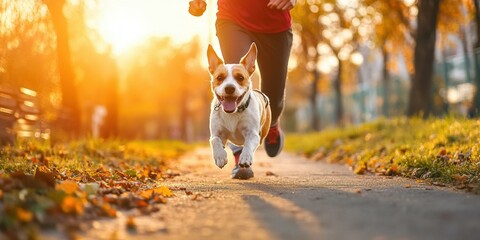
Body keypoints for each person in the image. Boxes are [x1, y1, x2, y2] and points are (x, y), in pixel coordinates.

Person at [189, 0, 295, 179]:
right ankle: (240, 159)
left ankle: (272, 123)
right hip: (232, 16)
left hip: (275, 20)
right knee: (234, 81)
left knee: (273, 98)